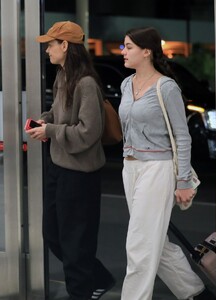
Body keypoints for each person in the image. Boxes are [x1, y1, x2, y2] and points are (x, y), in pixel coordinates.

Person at [118, 27, 216, 300]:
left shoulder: (166, 87)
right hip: (131, 168)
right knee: (155, 243)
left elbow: (182, 138)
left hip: (157, 169)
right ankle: (195, 294)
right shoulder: (127, 84)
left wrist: (183, 181)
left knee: (138, 246)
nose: (122, 51)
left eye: (128, 46)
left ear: (146, 51)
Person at [25, 21, 115, 300]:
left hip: (80, 174)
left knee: (76, 242)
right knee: (53, 234)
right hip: (59, 168)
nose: (47, 50)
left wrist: (50, 131)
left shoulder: (86, 83)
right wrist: (46, 120)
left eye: (51, 44)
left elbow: (89, 132)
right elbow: (58, 113)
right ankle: (98, 278)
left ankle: (82, 291)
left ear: (65, 46)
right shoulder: (62, 75)